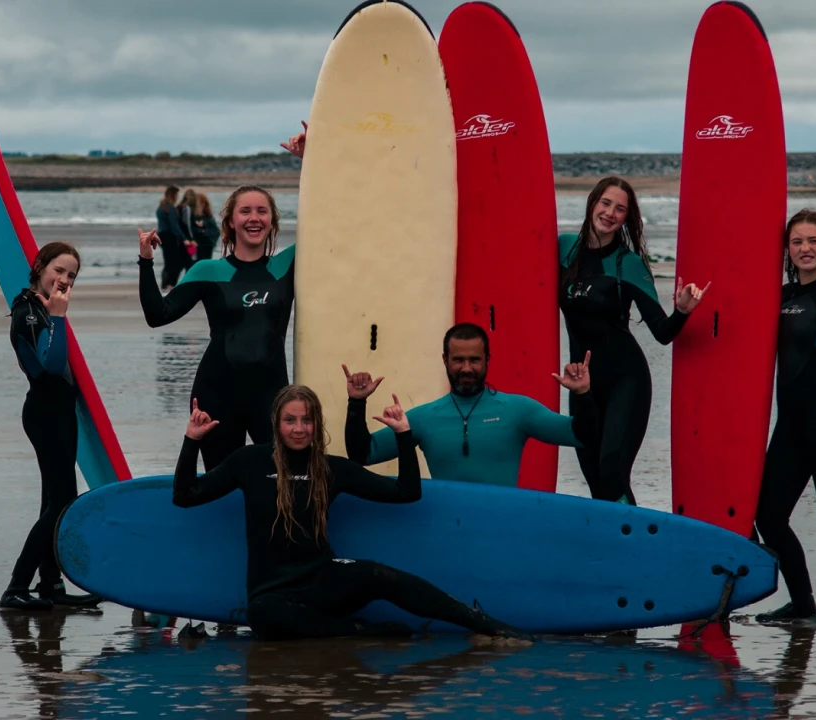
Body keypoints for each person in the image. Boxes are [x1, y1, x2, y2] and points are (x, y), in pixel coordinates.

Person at [172, 384, 533, 642]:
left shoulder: (332, 468)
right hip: (273, 593)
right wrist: (192, 440)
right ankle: (361, 631)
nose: (299, 429)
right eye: (290, 420)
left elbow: (406, 493)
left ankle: (481, 622)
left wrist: (404, 436)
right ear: (276, 424)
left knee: (380, 574)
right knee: (262, 617)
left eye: (307, 420)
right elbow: (186, 496)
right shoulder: (248, 462)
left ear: (317, 424)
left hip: (323, 579)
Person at [558, 177, 709, 504]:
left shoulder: (629, 264)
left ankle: (637, 549)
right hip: (582, 385)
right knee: (596, 482)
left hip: (625, 381)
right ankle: (613, 552)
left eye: (620, 209)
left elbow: (662, 332)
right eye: (606, 203)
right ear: (592, 203)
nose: (610, 213)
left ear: (627, 218)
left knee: (612, 474)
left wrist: (682, 311)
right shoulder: (563, 249)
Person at [137, 184, 295, 471]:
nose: (254, 218)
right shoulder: (208, 271)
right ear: (230, 221)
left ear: (272, 220)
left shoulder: (288, 264)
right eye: (245, 211)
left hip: (271, 395)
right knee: (222, 483)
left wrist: (310, 158)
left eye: (262, 211)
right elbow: (158, 315)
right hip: (218, 393)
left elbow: (332, 222)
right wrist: (146, 261)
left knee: (278, 482)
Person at [345, 323, 597, 487]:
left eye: (474, 360)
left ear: (488, 360)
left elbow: (582, 435)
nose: (466, 368)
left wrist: (583, 393)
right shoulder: (424, 418)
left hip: (500, 527)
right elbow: (363, 454)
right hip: (448, 530)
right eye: (458, 360)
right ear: (445, 360)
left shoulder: (518, 411)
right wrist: (357, 402)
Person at [1, 241, 102, 611]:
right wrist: (58, 317)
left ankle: (50, 586)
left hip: (60, 412)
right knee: (61, 504)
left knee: (53, 502)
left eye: (71, 275)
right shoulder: (28, 311)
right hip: (45, 413)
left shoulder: (43, 308)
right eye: (58, 270)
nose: (63, 279)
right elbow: (48, 363)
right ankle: (16, 587)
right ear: (40, 267)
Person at [754, 209, 816, 625]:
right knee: (768, 514)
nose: (805, 249)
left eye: (813, 240)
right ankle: (803, 604)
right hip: (792, 426)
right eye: (797, 242)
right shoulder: (780, 297)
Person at [156, 186, 187, 289]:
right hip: (170, 237)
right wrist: (184, 239)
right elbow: (174, 226)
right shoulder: (170, 208)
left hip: (162, 236)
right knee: (177, 262)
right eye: (177, 195)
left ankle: (165, 285)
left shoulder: (161, 207)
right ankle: (170, 284)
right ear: (173, 195)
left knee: (168, 261)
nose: (178, 197)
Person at [193, 192, 220, 261]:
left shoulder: (208, 216)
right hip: (201, 245)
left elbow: (216, 231)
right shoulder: (195, 215)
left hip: (206, 245)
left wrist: (203, 230)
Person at [178, 188, 200, 269]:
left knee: (184, 263)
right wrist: (192, 239)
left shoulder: (179, 207)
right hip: (188, 240)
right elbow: (188, 225)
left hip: (181, 240)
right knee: (191, 263)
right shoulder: (187, 208)